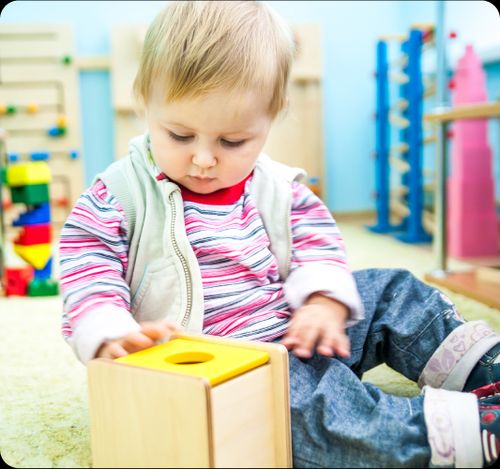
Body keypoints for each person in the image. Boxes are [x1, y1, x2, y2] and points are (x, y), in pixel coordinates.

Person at [59, 1, 500, 467]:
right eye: (180, 135)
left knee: (394, 289)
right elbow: (87, 271)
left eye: (232, 141)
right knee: (317, 415)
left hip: (304, 326)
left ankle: (480, 365)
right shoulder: (119, 196)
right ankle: (453, 436)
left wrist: (324, 302)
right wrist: (113, 335)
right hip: (233, 366)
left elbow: (319, 245)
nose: (204, 159)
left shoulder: (278, 188)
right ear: (144, 101)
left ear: (272, 117)